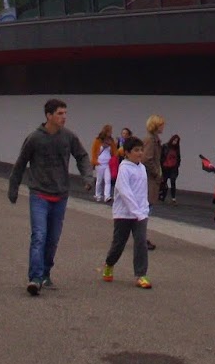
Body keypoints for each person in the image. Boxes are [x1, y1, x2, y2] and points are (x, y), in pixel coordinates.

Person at [8, 98, 93, 296]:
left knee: (53, 239)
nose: (64, 117)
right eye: (60, 113)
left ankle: (45, 273)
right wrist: (13, 188)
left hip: (60, 194)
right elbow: (21, 163)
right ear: (49, 115)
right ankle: (35, 278)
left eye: (65, 113)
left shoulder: (68, 137)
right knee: (39, 235)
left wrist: (88, 177)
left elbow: (82, 156)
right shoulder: (35, 138)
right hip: (39, 193)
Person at [101, 135, 152, 288]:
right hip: (124, 213)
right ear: (127, 153)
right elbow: (125, 192)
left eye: (141, 150)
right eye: (136, 150)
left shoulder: (142, 168)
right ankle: (109, 264)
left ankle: (141, 275)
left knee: (141, 242)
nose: (140, 153)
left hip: (140, 214)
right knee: (119, 243)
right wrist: (135, 210)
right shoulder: (124, 169)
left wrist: (143, 209)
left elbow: (142, 191)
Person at [142, 115, 165, 251]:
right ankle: (142, 238)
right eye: (161, 125)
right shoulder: (151, 141)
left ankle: (141, 237)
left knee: (146, 209)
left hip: (151, 179)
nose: (163, 127)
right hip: (149, 180)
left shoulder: (154, 140)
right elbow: (147, 159)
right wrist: (157, 173)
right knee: (145, 210)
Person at [94, 128, 115, 203]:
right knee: (99, 180)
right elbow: (95, 152)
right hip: (100, 163)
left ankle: (107, 196)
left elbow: (113, 152)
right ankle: (98, 195)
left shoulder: (111, 141)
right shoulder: (98, 141)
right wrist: (103, 146)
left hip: (107, 164)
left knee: (108, 180)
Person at [159, 133, 181, 203]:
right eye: (174, 140)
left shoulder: (177, 149)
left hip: (173, 168)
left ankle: (173, 198)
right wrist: (161, 165)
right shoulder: (165, 146)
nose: (175, 142)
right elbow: (161, 156)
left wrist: (177, 165)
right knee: (164, 182)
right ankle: (162, 196)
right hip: (165, 167)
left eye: (176, 141)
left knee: (173, 181)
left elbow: (178, 157)